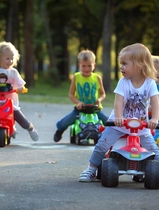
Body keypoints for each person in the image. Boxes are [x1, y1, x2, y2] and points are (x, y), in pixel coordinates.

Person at [79, 43, 159, 182]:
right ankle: (91, 169)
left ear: (139, 66)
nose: (121, 67)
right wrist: (118, 117)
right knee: (102, 144)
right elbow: (118, 101)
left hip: (141, 125)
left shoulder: (150, 83)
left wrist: (154, 119)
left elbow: (155, 101)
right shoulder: (123, 82)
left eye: (124, 64)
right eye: (121, 63)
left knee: (154, 150)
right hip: (119, 123)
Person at [53, 49, 108, 142]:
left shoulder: (97, 78)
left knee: (109, 122)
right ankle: (59, 131)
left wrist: (99, 100)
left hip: (95, 109)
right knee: (64, 122)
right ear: (79, 65)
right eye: (83, 66)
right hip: (80, 109)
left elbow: (103, 93)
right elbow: (71, 94)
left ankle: (109, 137)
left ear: (94, 65)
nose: (86, 68)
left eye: (89, 66)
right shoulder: (76, 77)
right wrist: (78, 102)